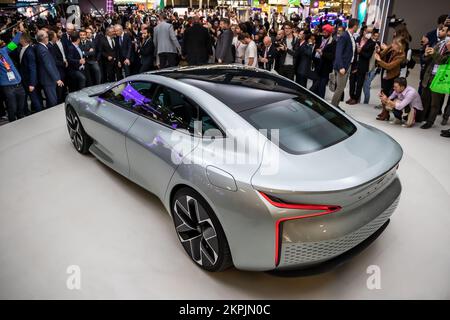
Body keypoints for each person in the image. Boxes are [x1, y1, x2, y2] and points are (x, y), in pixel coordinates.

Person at [420, 36, 450, 129]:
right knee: (424, 98)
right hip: (429, 75)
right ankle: (421, 117)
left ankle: (430, 122)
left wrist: (434, 53)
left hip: (440, 79)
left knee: (435, 103)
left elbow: (442, 61)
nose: (447, 39)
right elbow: (425, 60)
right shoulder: (439, 44)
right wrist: (426, 54)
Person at [374, 37, 406, 120]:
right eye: (393, 43)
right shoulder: (391, 48)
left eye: (395, 44)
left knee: (389, 95)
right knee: (383, 93)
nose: (392, 45)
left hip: (392, 76)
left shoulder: (401, 55)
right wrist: (378, 51)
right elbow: (382, 54)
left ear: (400, 46)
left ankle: (386, 113)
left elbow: (389, 66)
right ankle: (384, 112)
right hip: (384, 74)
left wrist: (379, 60)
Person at [330, 18, 359, 108]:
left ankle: (336, 106)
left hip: (348, 66)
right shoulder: (344, 36)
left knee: (341, 88)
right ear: (354, 26)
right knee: (340, 88)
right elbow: (338, 53)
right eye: (358, 26)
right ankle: (333, 107)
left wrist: (353, 67)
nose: (358, 27)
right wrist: (341, 67)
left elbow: (352, 53)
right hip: (343, 66)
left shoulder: (351, 36)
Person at [0, 29, 25, 122]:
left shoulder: (4, 51)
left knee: (21, 106)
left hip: (18, 83)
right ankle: (13, 123)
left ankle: (21, 120)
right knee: (12, 108)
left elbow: (14, 43)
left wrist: (19, 32)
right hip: (8, 87)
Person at [347, 27, 376, 105]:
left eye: (370, 32)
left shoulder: (372, 43)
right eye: (367, 31)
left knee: (359, 83)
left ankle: (356, 99)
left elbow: (368, 56)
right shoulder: (358, 39)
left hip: (363, 66)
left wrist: (360, 52)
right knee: (352, 81)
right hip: (354, 64)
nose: (368, 33)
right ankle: (351, 96)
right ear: (363, 31)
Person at [35, 30, 64, 108]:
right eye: (47, 37)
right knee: (53, 101)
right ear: (42, 38)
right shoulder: (42, 49)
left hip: (47, 78)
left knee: (50, 100)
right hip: (48, 79)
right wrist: (57, 79)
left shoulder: (39, 47)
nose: (48, 38)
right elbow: (48, 65)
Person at [19, 32, 42, 114]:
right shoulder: (21, 48)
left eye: (19, 38)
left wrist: (32, 84)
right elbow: (9, 48)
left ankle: (40, 114)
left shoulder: (29, 52)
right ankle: (27, 112)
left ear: (23, 40)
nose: (18, 40)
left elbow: (33, 68)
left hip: (30, 81)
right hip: (24, 79)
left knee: (34, 98)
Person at [47, 30, 67, 104]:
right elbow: (53, 61)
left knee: (61, 90)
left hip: (60, 69)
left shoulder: (53, 45)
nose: (57, 38)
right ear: (52, 38)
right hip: (57, 71)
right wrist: (64, 64)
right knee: (58, 91)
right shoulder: (49, 47)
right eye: (55, 37)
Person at [363, 29, 380, 104]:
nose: (376, 37)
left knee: (366, 85)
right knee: (364, 86)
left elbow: (379, 53)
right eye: (375, 35)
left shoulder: (377, 44)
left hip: (372, 68)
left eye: (377, 36)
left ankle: (366, 102)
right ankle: (364, 101)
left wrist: (378, 49)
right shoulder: (368, 42)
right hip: (366, 66)